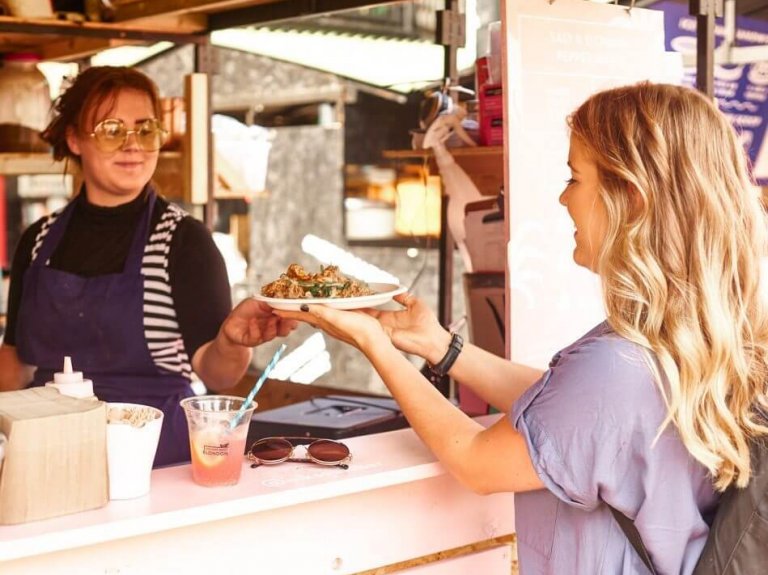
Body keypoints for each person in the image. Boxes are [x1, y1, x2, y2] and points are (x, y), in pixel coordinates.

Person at [276, 82, 768, 574]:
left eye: (575, 178)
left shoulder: (615, 367)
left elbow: (476, 460)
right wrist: (443, 349)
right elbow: (568, 412)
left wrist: (371, 341)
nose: (562, 197)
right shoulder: (701, 331)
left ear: (631, 199)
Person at [0, 66, 297, 467]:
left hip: (152, 458)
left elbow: (219, 375)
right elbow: (14, 367)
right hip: (49, 455)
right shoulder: (37, 241)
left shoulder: (182, 241)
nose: (133, 145)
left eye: (145, 129)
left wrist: (231, 343)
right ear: (73, 138)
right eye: (111, 129)